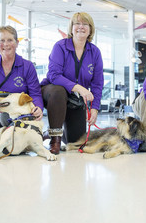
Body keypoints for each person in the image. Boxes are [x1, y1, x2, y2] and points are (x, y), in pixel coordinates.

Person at [41, 12, 104, 155]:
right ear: (71, 28)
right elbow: (53, 75)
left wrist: (94, 108)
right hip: (52, 93)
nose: (81, 27)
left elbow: (97, 84)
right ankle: (55, 139)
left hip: (75, 99)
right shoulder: (60, 46)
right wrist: (79, 88)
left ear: (90, 29)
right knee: (59, 91)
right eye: (77, 23)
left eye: (85, 24)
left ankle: (49, 133)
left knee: (76, 142)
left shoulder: (95, 52)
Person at [0, 25, 44, 139]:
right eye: (2, 40)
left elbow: (35, 93)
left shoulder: (27, 66)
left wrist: (38, 107)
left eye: (10, 40)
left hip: (21, 118)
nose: (6, 44)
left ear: (17, 43)